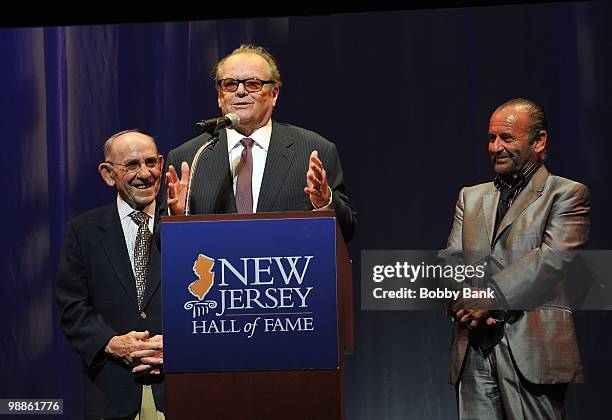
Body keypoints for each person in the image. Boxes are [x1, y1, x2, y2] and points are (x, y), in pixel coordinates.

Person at [441, 98, 590, 419]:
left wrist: (488, 298)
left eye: (507, 138)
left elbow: (552, 259)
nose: (495, 147)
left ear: (539, 141)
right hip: (473, 347)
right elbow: (450, 260)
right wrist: (463, 301)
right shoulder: (471, 196)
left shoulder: (566, 193)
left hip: (532, 349)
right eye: (491, 138)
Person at [162, 44, 356, 241]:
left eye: (253, 84)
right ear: (220, 96)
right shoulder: (190, 158)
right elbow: (163, 243)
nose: (240, 92)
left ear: (274, 94)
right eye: (230, 84)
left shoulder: (313, 151)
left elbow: (346, 230)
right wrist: (177, 218)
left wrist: (324, 203)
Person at [57, 130, 165, 419]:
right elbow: (72, 308)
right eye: (132, 165)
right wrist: (113, 343)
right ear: (108, 174)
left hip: (178, 389)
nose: (145, 173)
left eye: (151, 162)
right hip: (112, 392)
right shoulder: (83, 231)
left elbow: (213, 306)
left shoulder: (185, 222)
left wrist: (178, 346)